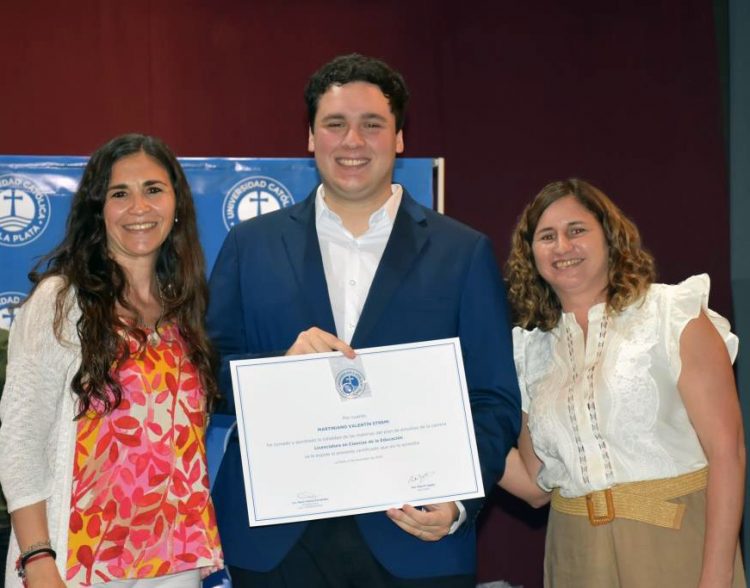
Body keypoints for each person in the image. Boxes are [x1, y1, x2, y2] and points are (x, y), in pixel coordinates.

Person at [207, 53, 521, 587]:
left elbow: (494, 398)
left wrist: (461, 501)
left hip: (414, 537)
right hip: (278, 542)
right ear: (311, 137)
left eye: (372, 124)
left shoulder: (462, 253)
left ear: (399, 138)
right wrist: (278, 367)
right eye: (335, 124)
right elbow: (204, 372)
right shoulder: (250, 245)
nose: (353, 141)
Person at [498, 178, 746, 587]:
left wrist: (717, 576)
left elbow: (727, 452)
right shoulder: (530, 351)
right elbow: (533, 483)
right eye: (547, 236)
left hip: (675, 543)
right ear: (531, 253)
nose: (562, 246)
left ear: (610, 237)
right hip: (575, 557)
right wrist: (460, 434)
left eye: (576, 230)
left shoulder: (672, 314)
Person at [0, 134, 223, 587]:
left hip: (173, 561)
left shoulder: (183, 307)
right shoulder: (61, 301)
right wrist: (37, 557)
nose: (139, 207)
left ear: (177, 204)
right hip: (79, 562)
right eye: (120, 193)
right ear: (98, 210)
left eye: (153, 189)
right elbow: (21, 440)